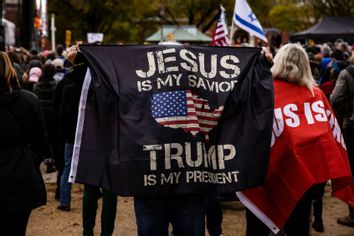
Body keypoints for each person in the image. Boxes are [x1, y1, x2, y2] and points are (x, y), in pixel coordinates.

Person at [244, 43, 350, 236]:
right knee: (298, 227)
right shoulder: (314, 93)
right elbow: (329, 134)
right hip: (304, 180)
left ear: (278, 62)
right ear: (305, 65)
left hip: (266, 177)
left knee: (258, 229)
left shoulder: (263, 90)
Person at [0, 51, 49, 235]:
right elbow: (41, 141)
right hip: (21, 175)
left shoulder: (29, 99)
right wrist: (30, 160)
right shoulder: (29, 100)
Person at [58, 49, 87, 211]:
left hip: (70, 133)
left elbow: (62, 112)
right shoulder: (91, 84)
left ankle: (64, 200)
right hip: (87, 132)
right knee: (90, 163)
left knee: (68, 165)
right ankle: (92, 193)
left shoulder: (67, 84)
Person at [330, 52, 354, 228]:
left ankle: (353, 214)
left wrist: (347, 110)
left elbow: (335, 98)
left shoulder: (347, 73)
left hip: (351, 125)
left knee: (352, 170)